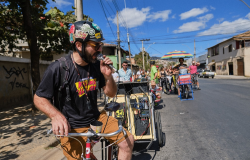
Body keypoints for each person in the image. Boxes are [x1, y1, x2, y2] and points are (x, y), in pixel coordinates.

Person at [34, 21, 134, 160]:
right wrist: (55, 115)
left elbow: (111, 93)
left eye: (101, 45)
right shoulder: (58, 68)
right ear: (79, 45)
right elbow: (39, 98)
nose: (100, 49)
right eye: (95, 45)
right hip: (71, 127)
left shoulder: (96, 65)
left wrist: (107, 76)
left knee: (127, 141)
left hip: (97, 120)